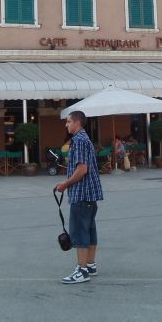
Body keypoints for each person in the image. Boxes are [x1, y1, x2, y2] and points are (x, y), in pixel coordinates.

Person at [55, 111, 104, 284]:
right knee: (89, 229)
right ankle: (90, 264)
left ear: (77, 122)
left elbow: (82, 169)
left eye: (68, 121)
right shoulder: (85, 139)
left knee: (79, 231)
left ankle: (82, 270)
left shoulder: (79, 141)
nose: (66, 125)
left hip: (81, 193)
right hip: (90, 194)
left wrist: (65, 184)